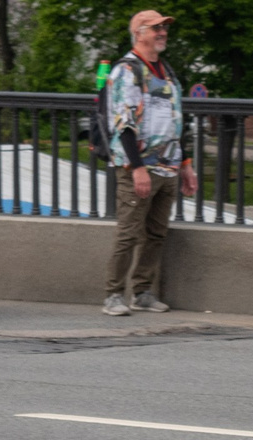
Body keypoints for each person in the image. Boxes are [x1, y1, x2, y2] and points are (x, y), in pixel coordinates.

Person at [102, 10, 194, 317]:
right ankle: (113, 294)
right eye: (156, 28)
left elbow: (177, 121)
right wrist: (138, 167)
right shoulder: (127, 71)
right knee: (128, 233)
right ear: (139, 33)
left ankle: (142, 292)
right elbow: (123, 123)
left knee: (156, 234)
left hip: (168, 166)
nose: (163, 32)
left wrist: (186, 164)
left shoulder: (166, 71)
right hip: (137, 168)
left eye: (164, 27)